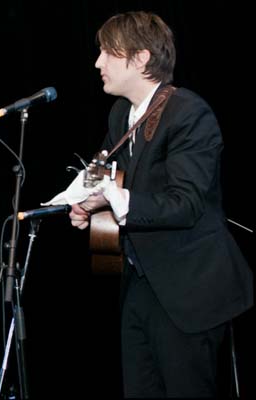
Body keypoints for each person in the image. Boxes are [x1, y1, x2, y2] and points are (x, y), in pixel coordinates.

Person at [68, 11, 253, 398]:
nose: (98, 62)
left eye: (107, 52)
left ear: (140, 58)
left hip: (190, 289)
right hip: (139, 283)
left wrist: (114, 199)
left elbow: (184, 203)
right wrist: (83, 202)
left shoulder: (189, 113)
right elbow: (107, 174)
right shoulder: (122, 114)